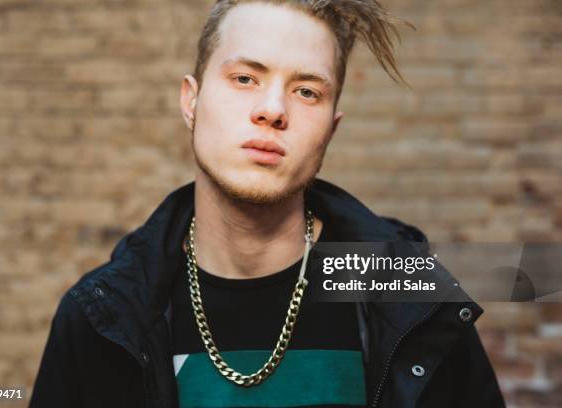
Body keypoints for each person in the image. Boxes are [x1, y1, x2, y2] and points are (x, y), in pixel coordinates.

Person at [29, 1, 505, 407]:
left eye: (306, 91)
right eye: (244, 78)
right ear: (190, 101)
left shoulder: (410, 295)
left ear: (331, 130)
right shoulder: (102, 317)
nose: (273, 109)